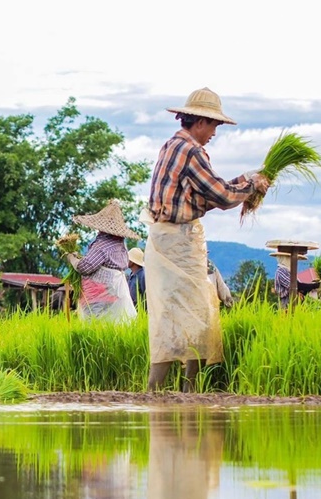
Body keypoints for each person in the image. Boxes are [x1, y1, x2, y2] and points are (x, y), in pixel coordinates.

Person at [145, 87, 270, 391]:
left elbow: (205, 194)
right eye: (214, 125)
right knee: (198, 317)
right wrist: (251, 182)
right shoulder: (191, 150)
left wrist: (246, 182)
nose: (215, 131)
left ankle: (167, 394)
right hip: (178, 242)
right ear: (199, 121)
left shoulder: (171, 145)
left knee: (177, 318)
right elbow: (222, 195)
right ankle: (182, 392)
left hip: (165, 240)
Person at [65, 200, 139, 323]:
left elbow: (85, 267)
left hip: (100, 296)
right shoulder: (120, 245)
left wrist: (72, 259)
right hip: (115, 292)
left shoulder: (103, 245)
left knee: (96, 325)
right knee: (115, 324)